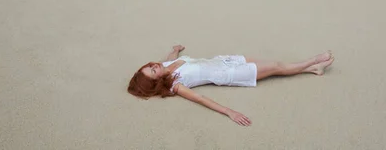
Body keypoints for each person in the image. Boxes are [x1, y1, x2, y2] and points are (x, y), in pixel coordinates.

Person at [127, 45, 335, 126]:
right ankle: (313, 61)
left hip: (224, 60)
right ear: (156, 82)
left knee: (275, 66)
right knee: (276, 66)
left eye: (150, 66)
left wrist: (176, 50)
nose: (154, 66)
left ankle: (313, 70)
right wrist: (229, 112)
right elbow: (201, 99)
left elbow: (169, 58)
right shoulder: (175, 85)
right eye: (152, 71)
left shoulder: (164, 65)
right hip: (230, 74)